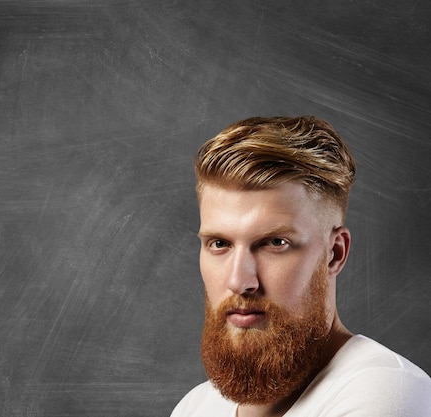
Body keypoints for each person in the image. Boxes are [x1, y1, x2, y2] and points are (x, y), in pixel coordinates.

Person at [171, 116, 431, 417]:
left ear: (334, 253)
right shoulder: (196, 406)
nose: (239, 281)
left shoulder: (387, 392)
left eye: (275, 243)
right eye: (220, 244)